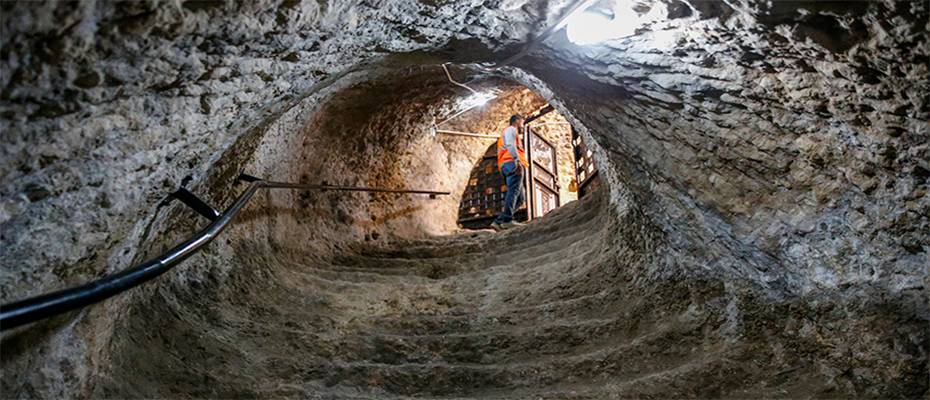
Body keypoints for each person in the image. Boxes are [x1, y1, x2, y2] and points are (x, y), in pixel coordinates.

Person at [491, 114, 528, 231]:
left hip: (508, 164)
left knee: (521, 197)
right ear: (517, 121)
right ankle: (507, 220)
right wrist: (517, 162)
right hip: (512, 163)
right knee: (514, 191)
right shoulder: (511, 130)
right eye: (522, 122)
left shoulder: (509, 133)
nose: (522, 125)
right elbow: (510, 145)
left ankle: (499, 221)